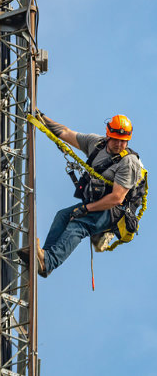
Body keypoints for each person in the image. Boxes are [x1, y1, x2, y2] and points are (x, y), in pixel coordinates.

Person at [22, 113, 143, 278]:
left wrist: (86, 208)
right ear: (108, 135)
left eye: (123, 141)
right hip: (98, 202)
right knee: (62, 216)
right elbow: (65, 133)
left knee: (78, 226)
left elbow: (117, 198)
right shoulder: (96, 143)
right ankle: (45, 258)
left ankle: (48, 261)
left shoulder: (128, 163)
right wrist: (41, 117)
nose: (119, 144)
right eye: (116, 139)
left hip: (114, 210)